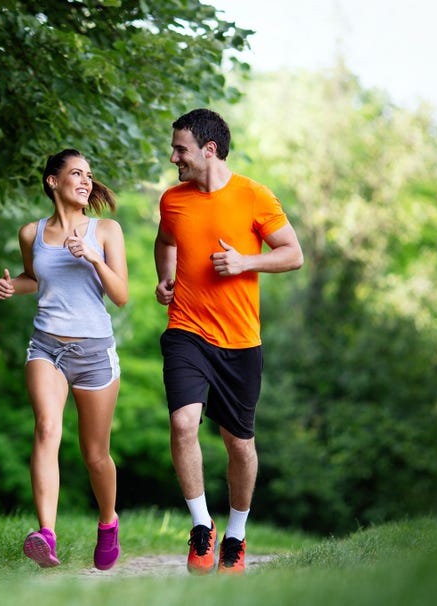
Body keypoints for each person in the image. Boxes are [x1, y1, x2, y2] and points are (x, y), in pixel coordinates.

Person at [154, 109, 303, 575]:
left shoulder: (254, 196)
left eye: (180, 148)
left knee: (239, 444)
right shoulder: (172, 201)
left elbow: (293, 254)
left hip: (240, 341)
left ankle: (235, 533)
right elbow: (165, 241)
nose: (174, 156)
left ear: (209, 149)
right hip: (187, 331)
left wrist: (244, 263)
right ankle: (202, 526)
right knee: (183, 424)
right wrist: (166, 277)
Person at [0, 149, 128, 571]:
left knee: (95, 456)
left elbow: (121, 295)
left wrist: (91, 257)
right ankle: (45, 534)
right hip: (46, 346)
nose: (86, 181)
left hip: (94, 353)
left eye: (89, 174)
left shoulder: (105, 230)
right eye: (76, 173)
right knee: (47, 428)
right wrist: (13, 286)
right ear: (53, 181)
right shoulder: (31, 233)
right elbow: (35, 277)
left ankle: (108, 523)